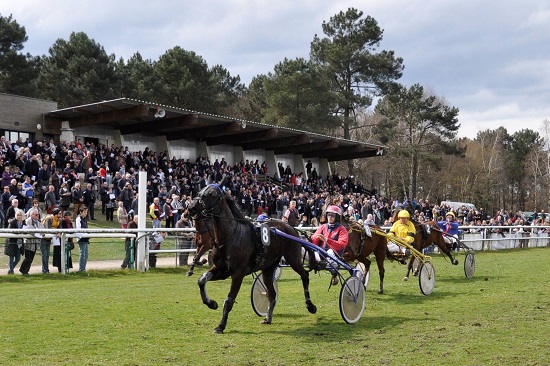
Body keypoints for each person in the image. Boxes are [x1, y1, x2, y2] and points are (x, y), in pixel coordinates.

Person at [310, 205, 348, 285]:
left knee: (330, 251)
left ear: (337, 217)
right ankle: (319, 262)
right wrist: (310, 240)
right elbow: (314, 240)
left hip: (335, 255)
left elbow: (341, 245)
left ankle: (334, 271)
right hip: (321, 254)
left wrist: (327, 240)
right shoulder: (323, 227)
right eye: (328, 215)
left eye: (332, 215)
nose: (329, 217)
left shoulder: (342, 229)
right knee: (312, 250)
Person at [20, 208, 44, 275]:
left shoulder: (39, 222)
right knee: (28, 258)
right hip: (29, 243)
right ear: (32, 215)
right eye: (36, 214)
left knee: (31, 258)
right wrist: (38, 233)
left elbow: (43, 229)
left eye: (38, 214)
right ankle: (23, 270)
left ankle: (26, 271)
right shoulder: (27, 221)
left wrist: (42, 233)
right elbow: (30, 230)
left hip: (36, 243)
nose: (37, 215)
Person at [41, 207, 63, 274]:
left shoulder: (58, 220)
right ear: (55, 214)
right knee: (44, 255)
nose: (61, 215)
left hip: (49, 239)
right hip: (43, 239)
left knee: (47, 255)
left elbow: (60, 229)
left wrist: (59, 232)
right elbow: (48, 229)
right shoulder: (49, 218)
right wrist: (57, 232)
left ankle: (46, 270)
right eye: (59, 213)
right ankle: (45, 270)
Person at [6, 209, 25, 274]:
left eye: (20, 215)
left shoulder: (23, 222)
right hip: (12, 242)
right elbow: (12, 231)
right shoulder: (12, 222)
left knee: (18, 258)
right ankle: (11, 271)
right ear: (15, 215)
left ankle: (10, 269)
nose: (19, 216)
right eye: (17, 215)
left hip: (19, 243)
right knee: (11, 257)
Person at [75, 206, 89, 272]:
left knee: (86, 255)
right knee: (82, 254)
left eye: (86, 212)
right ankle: (81, 269)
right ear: (80, 212)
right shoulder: (78, 219)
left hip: (85, 238)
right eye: (84, 212)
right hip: (81, 238)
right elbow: (78, 229)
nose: (86, 213)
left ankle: (83, 268)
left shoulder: (85, 219)